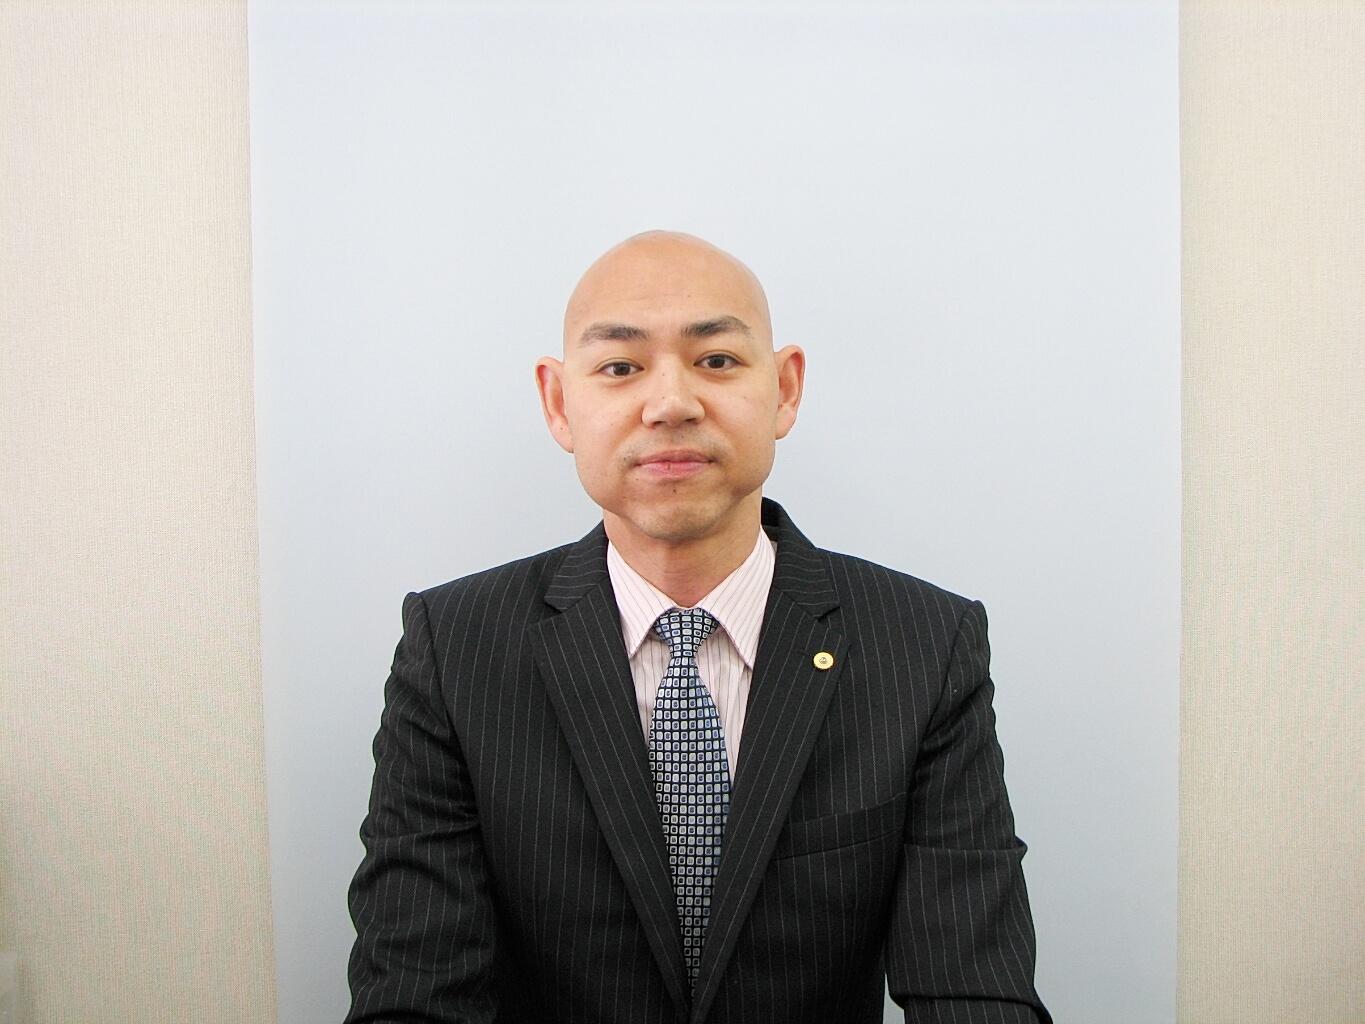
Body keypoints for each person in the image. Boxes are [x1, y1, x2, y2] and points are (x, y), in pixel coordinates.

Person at [344, 231, 1050, 1024]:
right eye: (620, 367)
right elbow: (415, 992)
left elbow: (972, 992)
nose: (671, 403)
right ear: (559, 403)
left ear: (784, 390)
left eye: (715, 360)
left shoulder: (923, 644)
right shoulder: (455, 648)